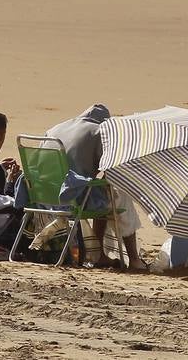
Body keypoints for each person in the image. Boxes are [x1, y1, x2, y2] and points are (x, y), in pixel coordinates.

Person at [46, 104, 145, 270]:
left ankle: (98, 254)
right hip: (72, 197)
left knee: (102, 192)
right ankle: (134, 259)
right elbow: (111, 170)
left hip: (44, 195)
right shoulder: (99, 132)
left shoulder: (55, 129)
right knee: (120, 195)